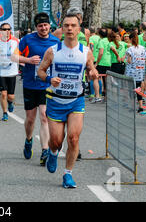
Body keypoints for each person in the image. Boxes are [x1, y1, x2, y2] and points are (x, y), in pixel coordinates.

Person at [38, 13, 99, 188]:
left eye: (73, 25)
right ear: (62, 29)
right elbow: (40, 71)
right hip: (56, 101)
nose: (70, 28)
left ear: (79, 29)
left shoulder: (85, 51)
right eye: (66, 26)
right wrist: (49, 79)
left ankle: (68, 174)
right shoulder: (53, 51)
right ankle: (53, 151)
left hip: (76, 101)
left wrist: (92, 73)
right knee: (57, 140)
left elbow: (90, 70)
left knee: (73, 138)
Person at [17, 12, 60, 165]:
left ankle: (44, 150)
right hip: (30, 83)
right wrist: (27, 60)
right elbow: (13, 56)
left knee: (44, 116)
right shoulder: (27, 39)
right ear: (36, 27)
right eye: (40, 26)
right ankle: (28, 140)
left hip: (46, 84)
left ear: (50, 26)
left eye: (46, 25)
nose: (43, 28)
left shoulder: (56, 41)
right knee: (30, 119)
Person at [0, 23, 20, 122]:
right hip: (1, 72)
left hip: (12, 71)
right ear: (0, 31)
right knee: (4, 94)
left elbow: (22, 52)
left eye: (8, 29)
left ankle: (10, 103)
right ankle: (5, 113)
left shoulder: (16, 41)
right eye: (4, 29)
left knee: (11, 96)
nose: (6, 31)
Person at [125, 31, 146, 112]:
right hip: (140, 72)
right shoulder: (143, 48)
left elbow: (129, 61)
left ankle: (132, 106)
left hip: (131, 72)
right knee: (138, 89)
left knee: (131, 90)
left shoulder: (130, 49)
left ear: (130, 39)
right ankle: (141, 106)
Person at [88, 27, 102, 103]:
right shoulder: (99, 38)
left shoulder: (91, 38)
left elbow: (91, 48)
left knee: (92, 77)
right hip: (99, 60)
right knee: (99, 77)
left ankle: (92, 94)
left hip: (93, 59)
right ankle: (99, 93)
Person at [96, 28, 111, 98]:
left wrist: (97, 63)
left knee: (98, 78)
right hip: (109, 62)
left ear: (99, 34)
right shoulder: (109, 41)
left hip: (102, 62)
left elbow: (101, 53)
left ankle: (98, 94)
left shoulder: (101, 41)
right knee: (106, 79)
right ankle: (106, 94)